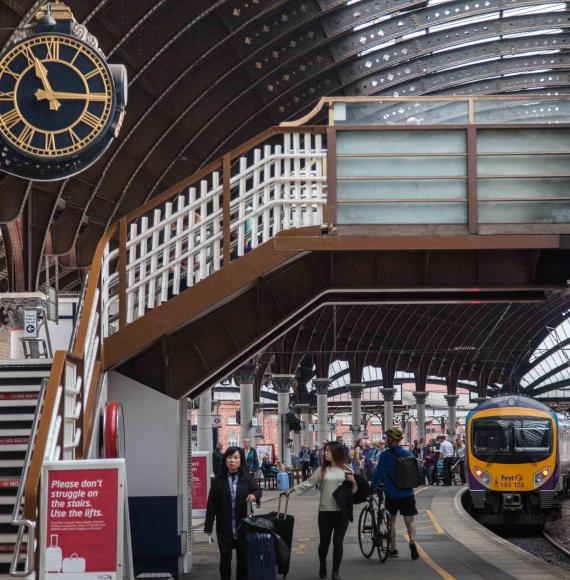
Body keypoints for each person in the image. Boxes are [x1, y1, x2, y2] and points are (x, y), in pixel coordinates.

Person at [285, 442, 357, 580]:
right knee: (324, 542)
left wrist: (353, 481)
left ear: (336, 453)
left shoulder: (347, 469)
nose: (325, 453)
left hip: (342, 512)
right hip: (325, 511)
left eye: (328, 451)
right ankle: (323, 565)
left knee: (338, 541)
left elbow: (353, 492)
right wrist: (291, 490)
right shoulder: (322, 470)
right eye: (325, 451)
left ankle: (335, 572)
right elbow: (308, 483)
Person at [204, 446, 262, 580]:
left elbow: (258, 490)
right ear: (225, 460)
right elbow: (212, 504)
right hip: (224, 527)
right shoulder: (218, 480)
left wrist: (254, 495)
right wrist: (208, 525)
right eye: (229, 457)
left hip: (243, 526)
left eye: (235, 457)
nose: (232, 461)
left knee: (243, 561)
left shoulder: (247, 477)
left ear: (241, 460)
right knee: (225, 560)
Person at [372, 427, 419, 561]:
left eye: (387, 438)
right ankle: (412, 542)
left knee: (391, 521)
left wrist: (372, 487)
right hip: (408, 493)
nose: (385, 440)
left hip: (392, 494)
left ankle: (393, 549)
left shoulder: (385, 455)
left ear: (391, 440)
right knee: (409, 521)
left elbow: (377, 473)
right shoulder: (409, 454)